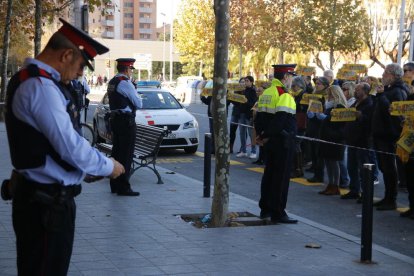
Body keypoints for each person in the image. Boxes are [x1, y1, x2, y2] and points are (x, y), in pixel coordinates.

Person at [3, 18, 125, 276]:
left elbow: (58, 142)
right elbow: (70, 146)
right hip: (46, 205)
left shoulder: (34, 80)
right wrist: (108, 166)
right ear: (67, 54)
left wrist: (84, 170)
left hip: (42, 199)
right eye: (82, 65)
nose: (82, 73)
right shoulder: (41, 87)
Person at [255, 64, 298, 224]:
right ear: (286, 77)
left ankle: (265, 208)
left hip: (270, 142)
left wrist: (262, 135)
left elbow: (258, 117)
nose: (292, 80)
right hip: (283, 142)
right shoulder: (284, 95)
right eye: (291, 76)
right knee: (280, 178)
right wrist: (267, 134)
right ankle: (278, 212)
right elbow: (281, 121)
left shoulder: (267, 92)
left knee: (269, 175)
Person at [372, 63, 408, 210]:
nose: (383, 75)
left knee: (388, 168)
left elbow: (393, 112)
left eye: (385, 73)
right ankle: (387, 197)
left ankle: (391, 199)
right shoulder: (389, 90)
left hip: (389, 135)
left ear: (393, 75)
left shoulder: (398, 91)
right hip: (381, 134)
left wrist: (381, 96)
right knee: (384, 167)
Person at [108, 58, 143, 196]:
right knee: (126, 155)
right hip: (126, 122)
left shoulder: (113, 81)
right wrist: (134, 88)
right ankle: (124, 187)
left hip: (116, 120)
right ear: (127, 69)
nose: (131, 72)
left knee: (116, 152)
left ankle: (115, 185)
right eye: (130, 70)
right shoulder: (125, 82)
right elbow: (139, 103)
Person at [311, 85, 348, 195]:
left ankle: (335, 185)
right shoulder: (329, 106)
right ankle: (330, 184)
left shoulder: (340, 106)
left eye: (330, 94)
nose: (328, 96)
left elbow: (340, 123)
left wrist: (326, 118)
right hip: (327, 136)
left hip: (335, 137)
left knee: (334, 162)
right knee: (328, 161)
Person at [341, 82, 374, 200]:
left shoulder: (369, 104)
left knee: (363, 169)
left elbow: (369, 121)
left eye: (358, 89)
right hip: (352, 139)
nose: (355, 91)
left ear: (365, 91)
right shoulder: (355, 102)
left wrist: (361, 116)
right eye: (355, 89)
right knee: (352, 166)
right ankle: (354, 190)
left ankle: (366, 194)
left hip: (362, 140)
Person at [398, 62, 414, 219]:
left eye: (408, 71)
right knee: (409, 175)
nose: (406, 74)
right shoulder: (409, 94)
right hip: (409, 137)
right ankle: (411, 206)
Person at [236, 76, 257, 159]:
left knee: (251, 133)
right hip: (242, 114)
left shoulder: (253, 91)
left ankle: (253, 151)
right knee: (241, 133)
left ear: (251, 82)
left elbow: (254, 103)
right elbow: (239, 102)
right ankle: (243, 151)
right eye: (244, 81)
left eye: (247, 81)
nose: (245, 82)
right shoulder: (243, 90)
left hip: (249, 114)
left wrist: (246, 101)